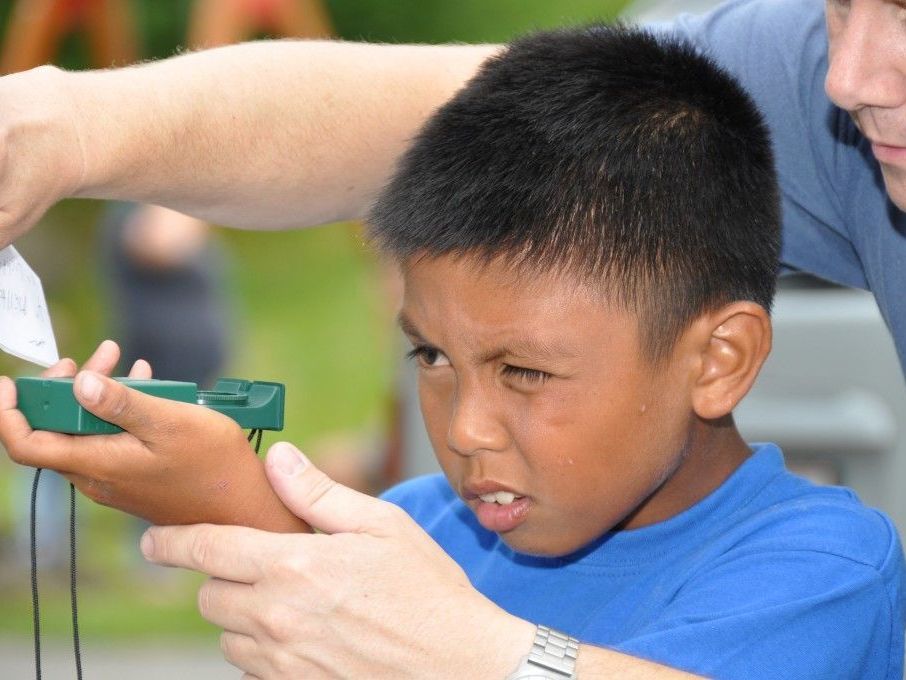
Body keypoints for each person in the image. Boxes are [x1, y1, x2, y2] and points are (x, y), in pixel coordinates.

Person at [0, 0, 904, 675]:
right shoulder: (427, 527)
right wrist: (213, 486)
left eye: (526, 370)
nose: (466, 428)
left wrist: (470, 655)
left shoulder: (824, 572)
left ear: (719, 361)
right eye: (431, 356)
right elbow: (362, 603)